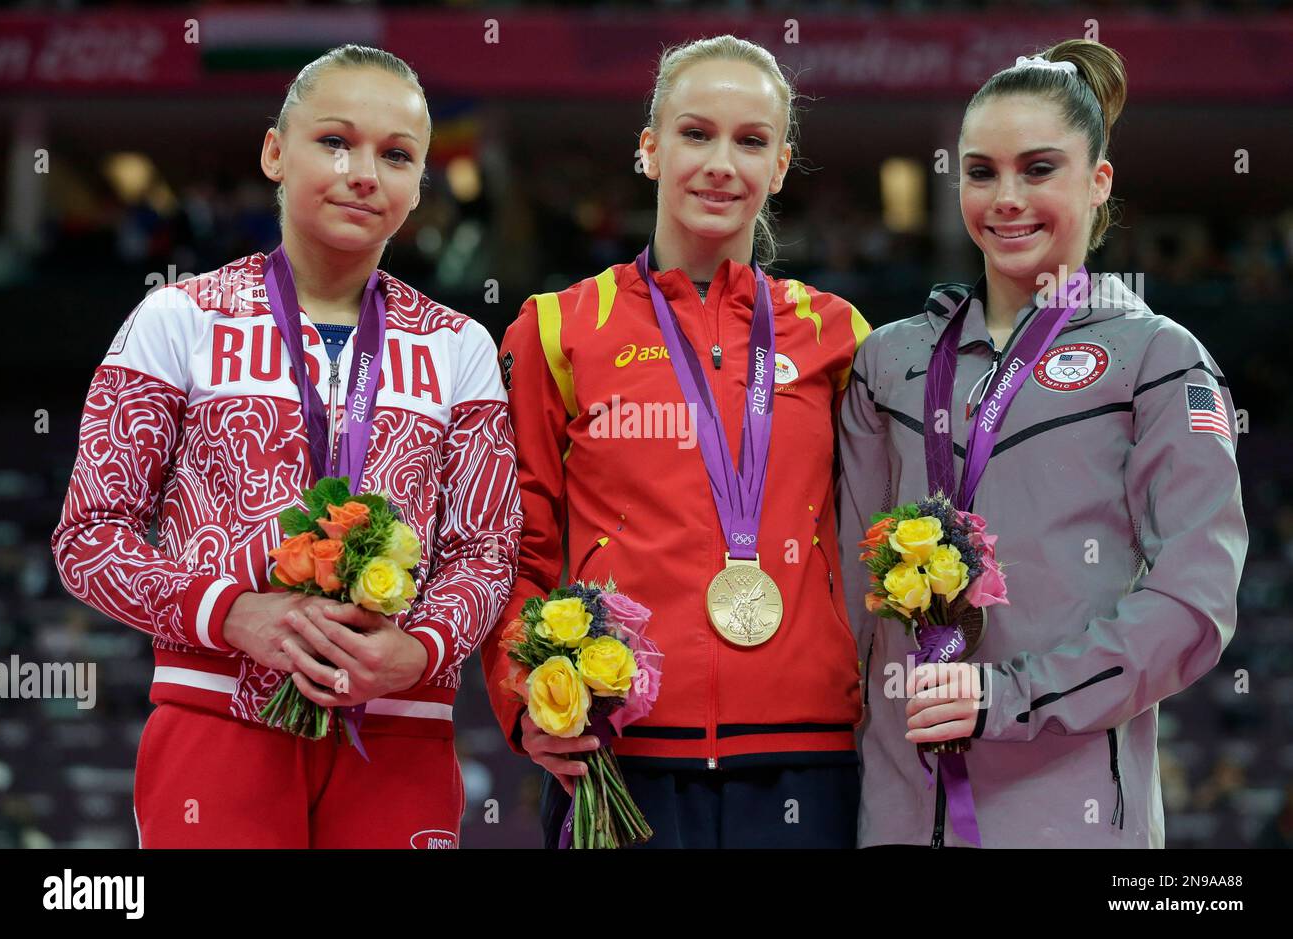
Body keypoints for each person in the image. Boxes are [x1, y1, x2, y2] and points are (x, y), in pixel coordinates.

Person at [51, 44, 520, 848]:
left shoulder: (460, 346)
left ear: (417, 185)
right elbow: (89, 536)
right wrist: (233, 613)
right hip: (217, 712)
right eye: (335, 141)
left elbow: (485, 550)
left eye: (397, 154)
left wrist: (419, 648)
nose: (364, 172)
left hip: (399, 728)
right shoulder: (180, 319)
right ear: (275, 151)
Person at [838, 39, 1247, 848]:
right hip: (895, 813)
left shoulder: (1157, 357)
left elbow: (1193, 602)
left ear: (1099, 183)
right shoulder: (886, 360)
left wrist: (1009, 697)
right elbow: (844, 595)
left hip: (1072, 819)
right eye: (982, 171)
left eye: (1039, 169)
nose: (1006, 198)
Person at [481, 34, 871, 849]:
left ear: (782, 165)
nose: (721, 163)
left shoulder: (840, 337)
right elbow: (515, 547)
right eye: (696, 133)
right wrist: (529, 702)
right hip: (617, 750)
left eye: (751, 141)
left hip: (808, 757)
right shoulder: (557, 329)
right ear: (650, 150)